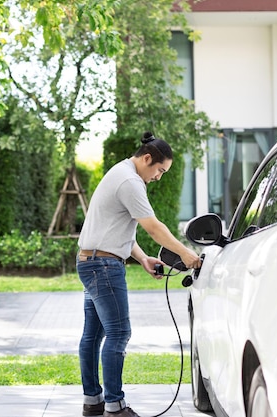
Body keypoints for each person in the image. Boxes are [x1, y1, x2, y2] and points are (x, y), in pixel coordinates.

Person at [76, 131, 202, 417]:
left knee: (92, 336)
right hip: (103, 267)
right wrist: (186, 253)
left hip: (90, 261)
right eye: (160, 170)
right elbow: (154, 227)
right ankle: (115, 407)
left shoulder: (119, 173)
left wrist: (143, 257)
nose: (159, 177)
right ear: (147, 159)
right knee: (119, 333)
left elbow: (115, 228)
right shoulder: (131, 181)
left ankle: (92, 402)